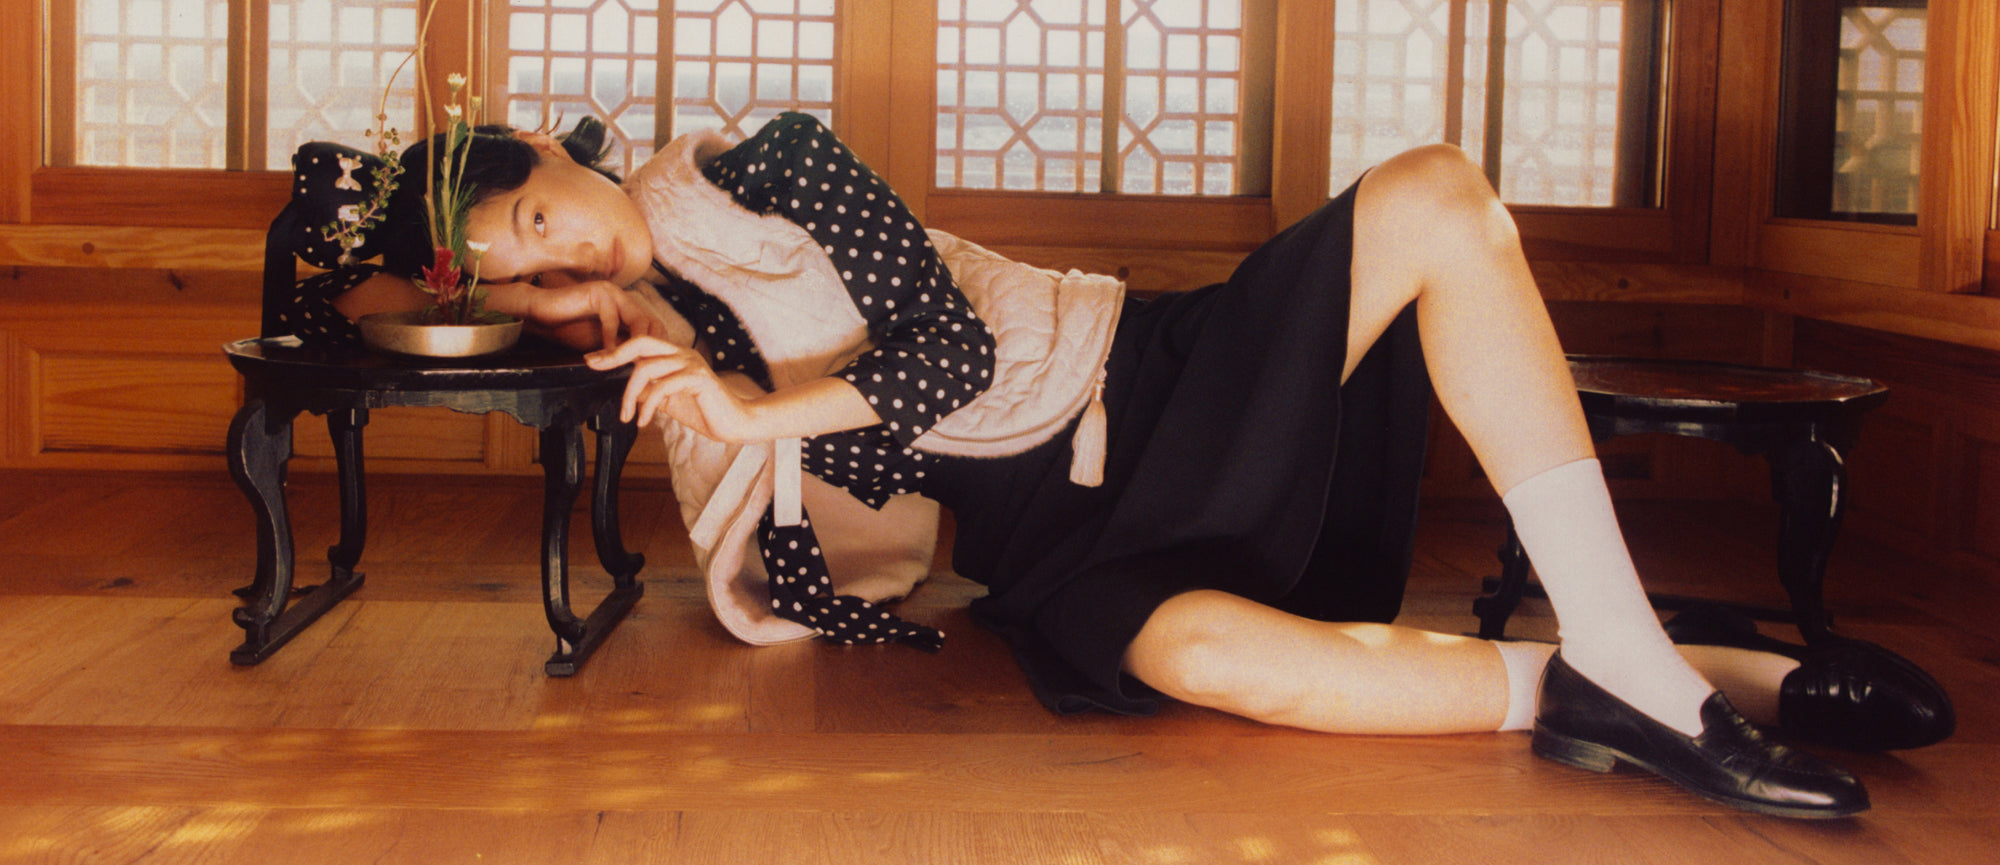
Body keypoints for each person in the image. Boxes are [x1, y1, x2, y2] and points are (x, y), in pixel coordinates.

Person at [273, 113, 1952, 819]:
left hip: (1160, 383)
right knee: (1221, 663)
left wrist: (760, 413)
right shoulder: (665, 337)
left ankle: (1647, 661)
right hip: (1060, 537)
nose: (569, 254)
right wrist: (701, 408)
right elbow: (828, 567)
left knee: (1437, 192)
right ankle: (1695, 674)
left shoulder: (765, 156)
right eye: (529, 269)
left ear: (566, 145)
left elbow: (946, 361)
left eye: (550, 215)